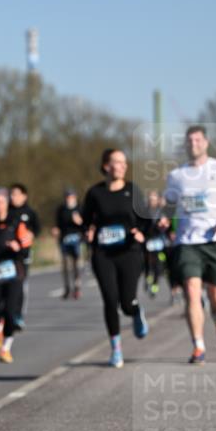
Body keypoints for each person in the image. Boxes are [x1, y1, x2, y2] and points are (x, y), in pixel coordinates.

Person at [159, 125, 216, 364]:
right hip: (188, 242)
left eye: (197, 140)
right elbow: (169, 205)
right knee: (191, 292)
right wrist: (165, 218)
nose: (193, 144)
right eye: (189, 141)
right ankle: (198, 346)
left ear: (206, 142)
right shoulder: (176, 176)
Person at [82, 149, 150, 368]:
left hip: (129, 253)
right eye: (116, 162)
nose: (121, 166)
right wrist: (87, 231)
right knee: (110, 301)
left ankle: (136, 311)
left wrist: (141, 233)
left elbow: (146, 219)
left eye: (123, 162)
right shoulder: (95, 193)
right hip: (103, 254)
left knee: (127, 303)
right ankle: (116, 350)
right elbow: (85, 220)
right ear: (106, 166)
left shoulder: (133, 191)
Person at [0, 188, 30, 363]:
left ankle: (6, 347)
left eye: (2, 201)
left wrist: (19, 247)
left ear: (7, 203)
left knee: (10, 313)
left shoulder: (16, 221)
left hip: (13, 273)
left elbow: (26, 242)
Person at [9, 183, 40, 327]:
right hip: (7, 255)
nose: (13, 197)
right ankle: (7, 314)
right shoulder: (6, 212)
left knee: (21, 285)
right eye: (11, 194)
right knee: (8, 285)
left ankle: (18, 315)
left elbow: (37, 229)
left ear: (24, 196)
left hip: (23, 255)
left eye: (16, 194)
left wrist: (31, 235)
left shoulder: (30, 212)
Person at [52, 189, 83, 299]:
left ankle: (77, 287)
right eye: (67, 197)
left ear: (75, 197)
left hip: (76, 239)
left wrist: (79, 221)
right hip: (64, 239)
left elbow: (84, 224)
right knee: (65, 265)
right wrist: (56, 230)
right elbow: (57, 224)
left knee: (76, 264)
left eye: (71, 197)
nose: (69, 199)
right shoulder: (61, 209)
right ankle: (67, 288)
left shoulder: (80, 208)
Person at [142, 190, 167, 297]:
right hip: (147, 240)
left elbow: (167, 223)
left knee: (157, 264)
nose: (152, 200)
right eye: (150, 198)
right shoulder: (144, 211)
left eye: (154, 198)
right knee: (147, 262)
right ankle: (148, 277)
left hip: (158, 240)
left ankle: (155, 286)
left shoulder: (161, 211)